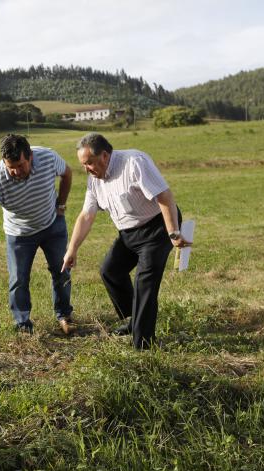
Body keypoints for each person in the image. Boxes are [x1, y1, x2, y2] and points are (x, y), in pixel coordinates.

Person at [62, 133, 191, 349]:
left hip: (157, 228)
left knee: (144, 282)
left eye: (90, 163)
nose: (87, 169)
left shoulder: (134, 162)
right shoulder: (95, 180)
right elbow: (86, 215)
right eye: (83, 165)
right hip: (129, 233)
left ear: (104, 155)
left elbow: (164, 196)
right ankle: (134, 320)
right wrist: (72, 249)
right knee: (110, 271)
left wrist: (174, 233)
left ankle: (143, 344)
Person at [0, 134, 76, 334]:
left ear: (30, 157)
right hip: (19, 234)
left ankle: (65, 316)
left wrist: (61, 205)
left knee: (61, 270)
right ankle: (23, 325)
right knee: (18, 279)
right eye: (10, 167)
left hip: (52, 225)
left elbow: (67, 173)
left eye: (20, 165)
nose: (15, 171)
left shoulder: (47, 158)